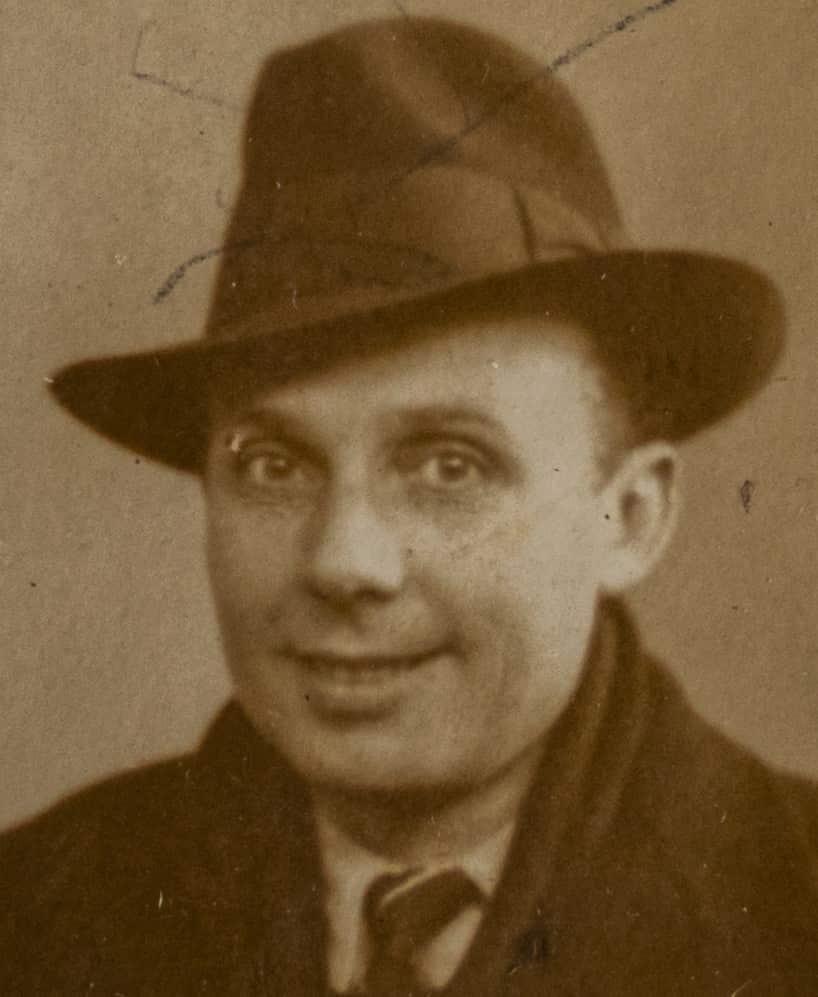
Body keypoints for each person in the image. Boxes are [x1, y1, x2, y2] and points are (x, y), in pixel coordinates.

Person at [2, 16, 816, 996]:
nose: (343, 561)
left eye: (448, 466)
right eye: (271, 464)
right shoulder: (37, 913)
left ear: (628, 517)